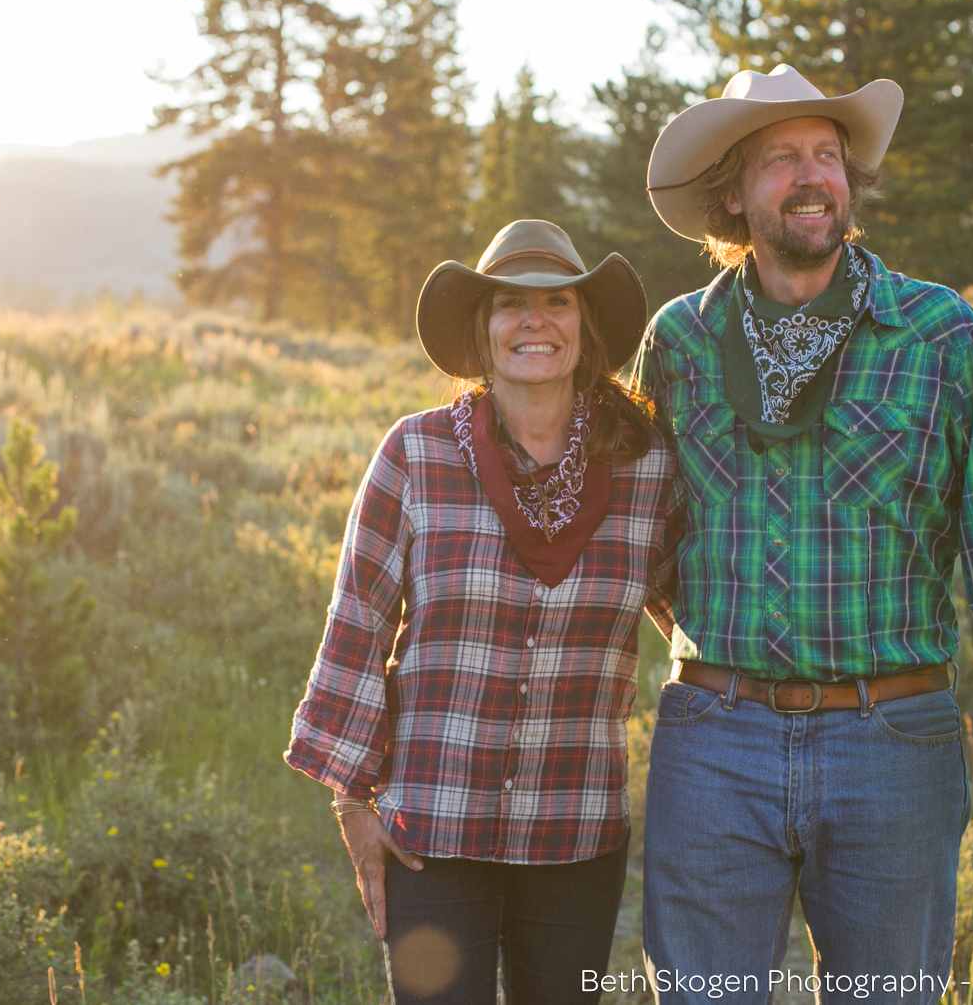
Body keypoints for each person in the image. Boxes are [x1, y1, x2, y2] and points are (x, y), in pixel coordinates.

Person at [633, 65, 973, 1003]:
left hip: (894, 739)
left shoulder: (937, 332)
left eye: (828, 156)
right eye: (781, 158)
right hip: (714, 740)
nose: (812, 176)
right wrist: (723, 650)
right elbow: (643, 535)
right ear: (733, 190)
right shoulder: (678, 341)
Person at [285, 219, 682, 1005]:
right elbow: (357, 622)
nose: (535, 320)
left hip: (576, 826)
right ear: (484, 329)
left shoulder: (646, 468)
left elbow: (695, 612)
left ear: (585, 325)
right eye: (510, 303)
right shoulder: (416, 454)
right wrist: (351, 801)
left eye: (557, 301)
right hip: (431, 828)